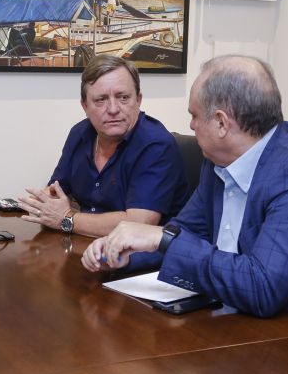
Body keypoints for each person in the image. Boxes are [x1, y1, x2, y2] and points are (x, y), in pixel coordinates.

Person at [82, 55, 288, 325]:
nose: (191, 125)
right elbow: (186, 231)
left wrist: (161, 239)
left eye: (194, 115)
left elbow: (262, 288)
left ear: (221, 123)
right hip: (232, 319)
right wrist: (123, 251)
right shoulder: (219, 159)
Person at [18, 55, 189, 238]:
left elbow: (138, 224)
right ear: (85, 106)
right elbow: (56, 191)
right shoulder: (80, 134)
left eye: (123, 97)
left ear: (138, 100)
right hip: (86, 246)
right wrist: (42, 203)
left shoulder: (156, 145)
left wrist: (66, 218)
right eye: (101, 100)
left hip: (142, 258)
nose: (114, 109)